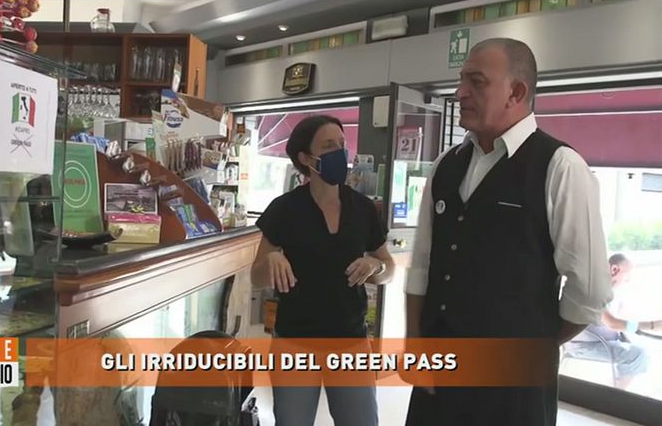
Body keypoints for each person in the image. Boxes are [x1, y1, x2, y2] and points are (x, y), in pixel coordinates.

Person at [404, 38, 614, 426]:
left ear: (516, 92)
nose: (460, 92)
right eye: (461, 80)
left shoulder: (561, 167)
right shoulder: (447, 164)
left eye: (476, 81)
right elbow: (422, 266)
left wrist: (537, 343)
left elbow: (589, 291)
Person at [251, 115, 395, 426]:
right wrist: (271, 260)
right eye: (329, 146)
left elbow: (389, 270)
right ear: (306, 158)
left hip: (351, 341)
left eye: (342, 145)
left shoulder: (363, 208)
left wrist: (376, 265)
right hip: (294, 342)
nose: (340, 153)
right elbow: (256, 277)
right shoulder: (284, 209)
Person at [566, 253, 659, 390]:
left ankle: (615, 388)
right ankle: (616, 394)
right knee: (638, 355)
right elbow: (613, 323)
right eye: (627, 276)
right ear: (614, 270)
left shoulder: (609, 293)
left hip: (603, 341)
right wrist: (652, 325)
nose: (627, 281)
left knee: (638, 352)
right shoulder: (593, 290)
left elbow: (621, 321)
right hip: (585, 345)